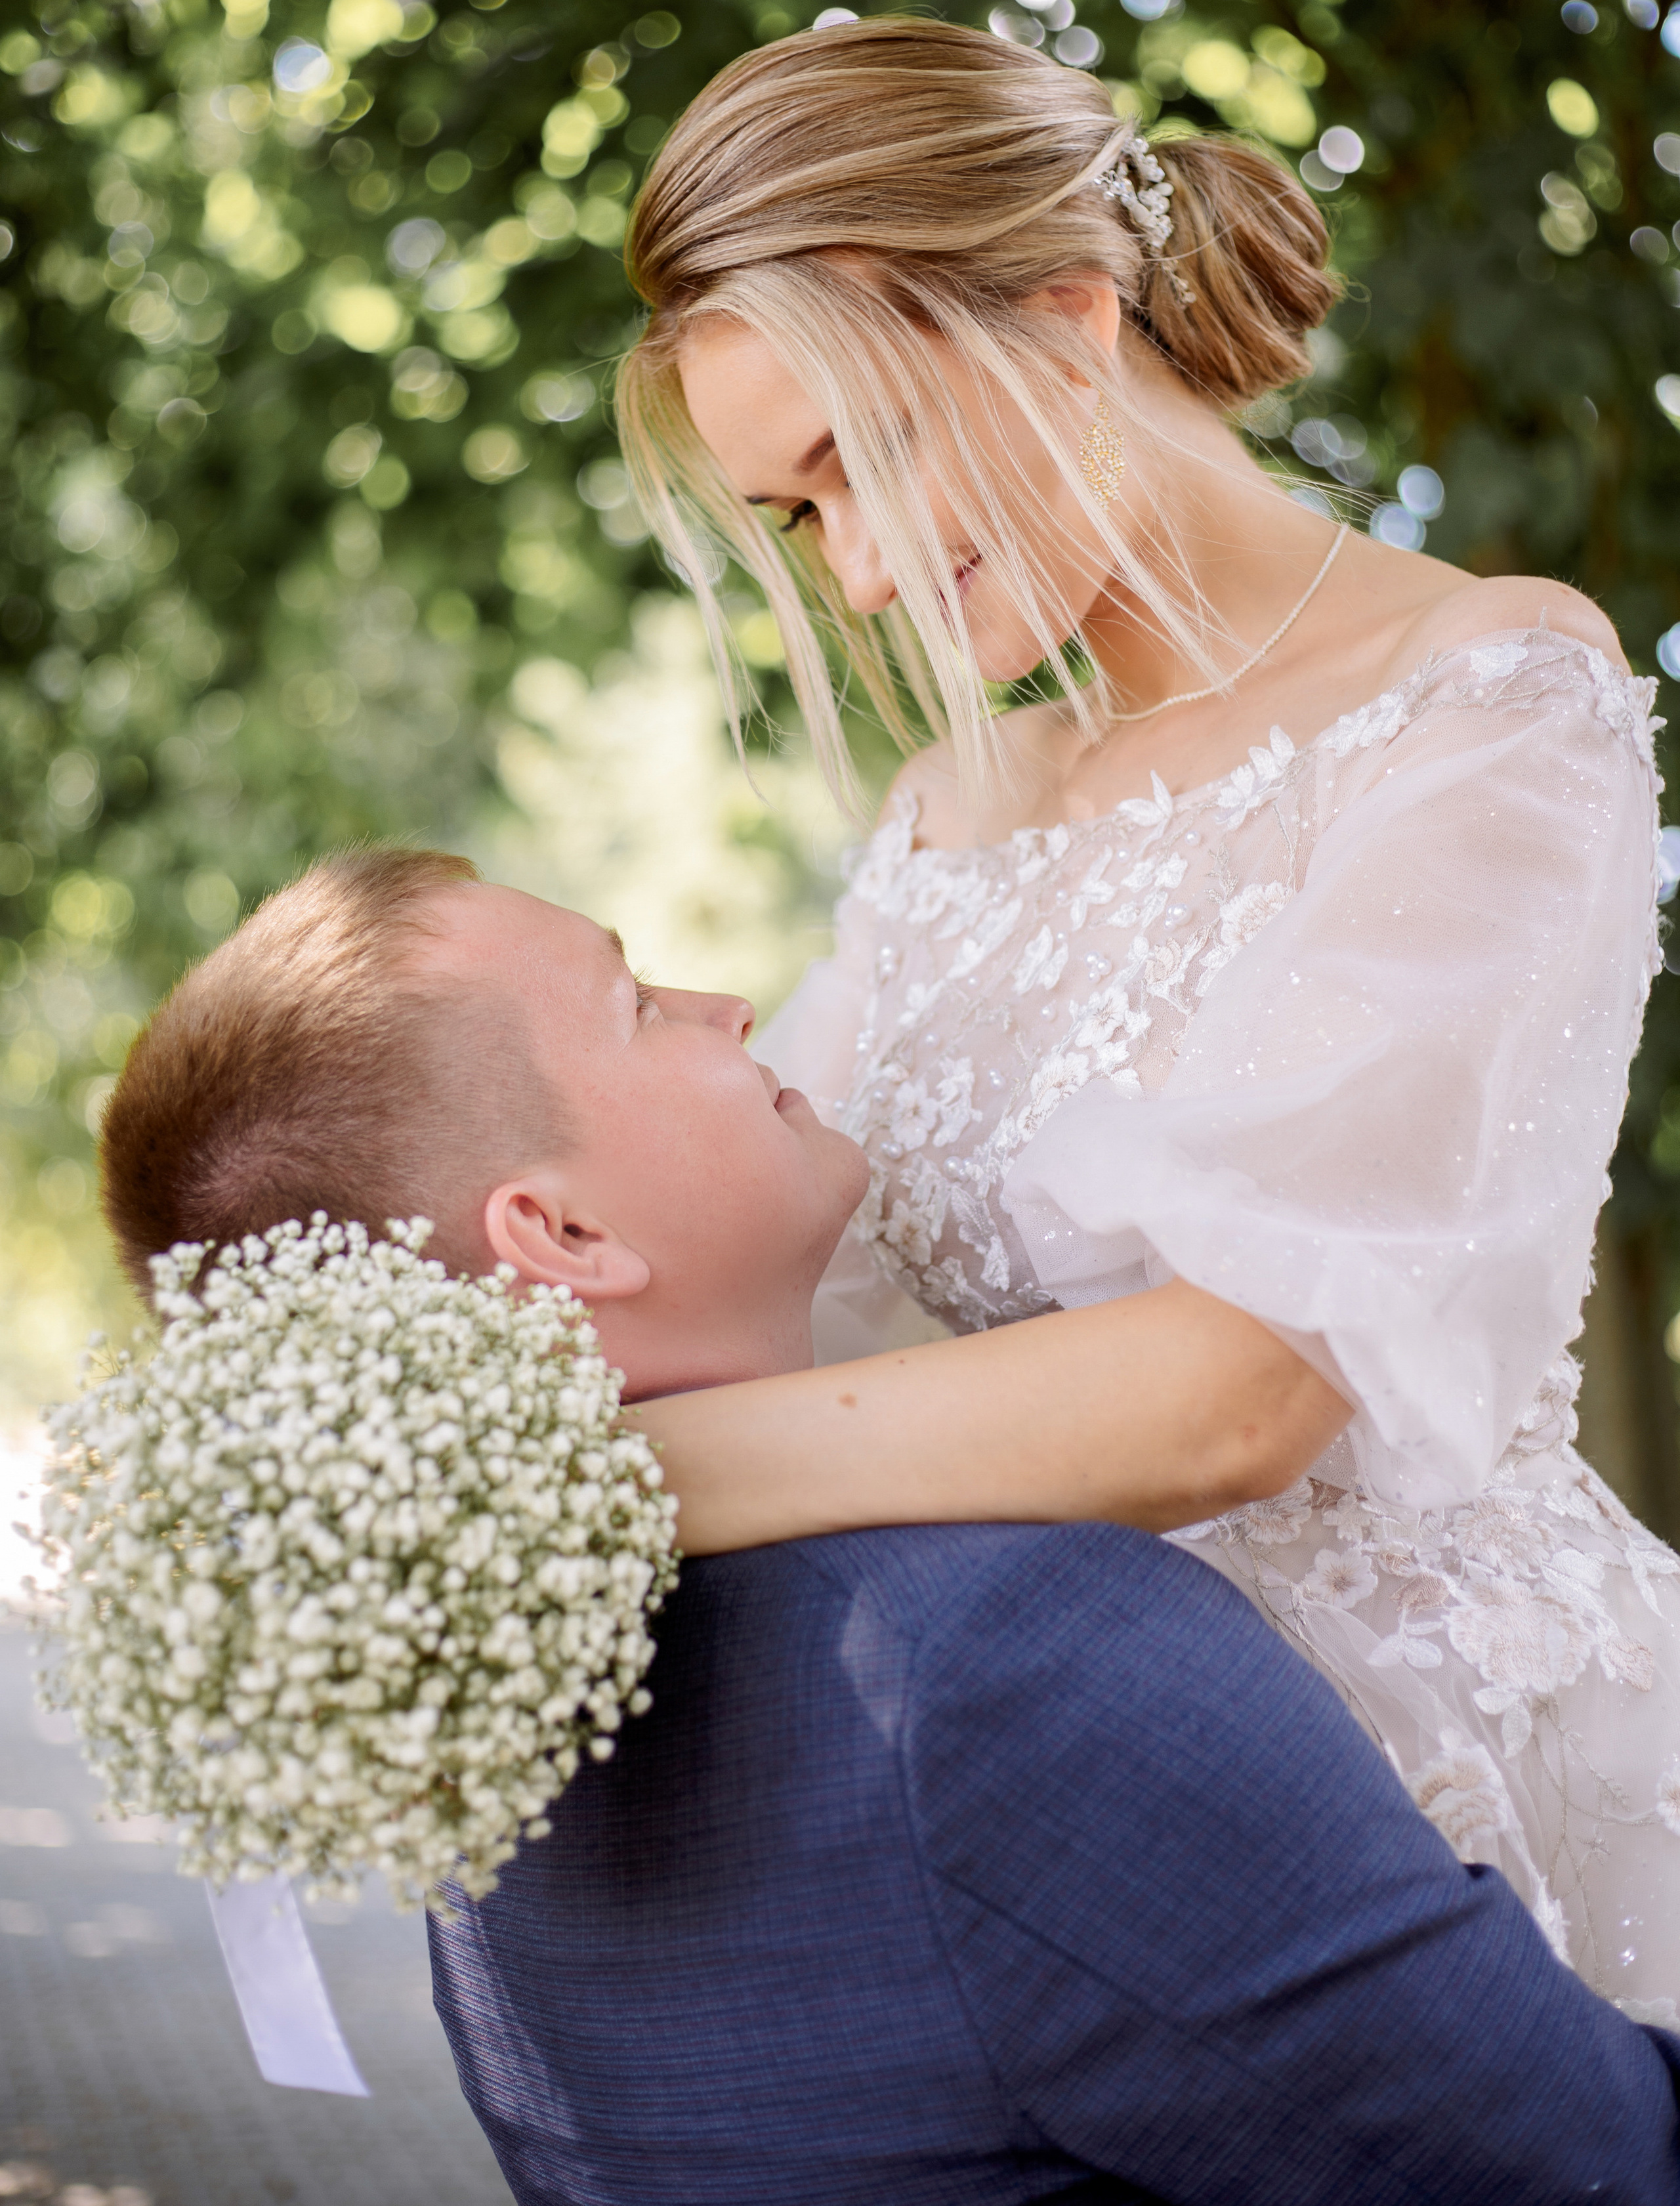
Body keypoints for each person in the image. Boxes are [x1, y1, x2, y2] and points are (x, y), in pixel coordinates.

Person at [94, 849, 1680, 2203]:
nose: (729, 1004)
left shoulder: (483, 1732)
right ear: (564, 1233)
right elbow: (1589, 2166)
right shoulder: (1005, 1662)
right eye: (639, 1001)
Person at [611, 14, 1680, 2012]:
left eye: (860, 465)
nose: (848, 580)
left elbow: (1240, 1391)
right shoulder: (952, 810)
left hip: (1433, 1813)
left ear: (1071, 316)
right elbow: (774, 1272)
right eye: (795, 519)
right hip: (1037, 1808)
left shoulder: (1483, 695)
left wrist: (597, 1498)